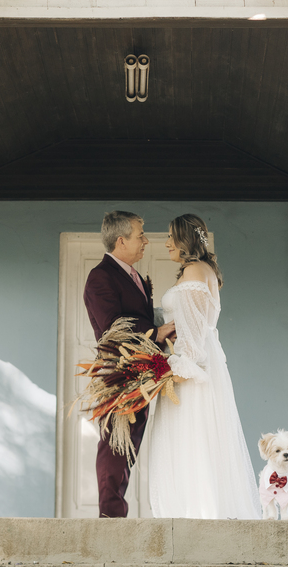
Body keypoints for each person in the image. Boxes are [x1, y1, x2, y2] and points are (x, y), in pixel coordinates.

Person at [147, 213, 261, 519]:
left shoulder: (195, 270)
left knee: (190, 440)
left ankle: (195, 515)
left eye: (171, 237)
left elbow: (195, 335)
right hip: (198, 361)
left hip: (191, 369)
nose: (166, 243)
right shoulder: (203, 270)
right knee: (198, 441)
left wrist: (178, 371)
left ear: (185, 240)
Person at [83, 210, 176, 518]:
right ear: (121, 240)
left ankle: (116, 514)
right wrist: (156, 332)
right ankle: (110, 517)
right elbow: (113, 326)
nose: (146, 241)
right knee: (115, 444)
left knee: (129, 445)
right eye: (140, 235)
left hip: (140, 372)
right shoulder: (101, 276)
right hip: (118, 373)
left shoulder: (132, 275)